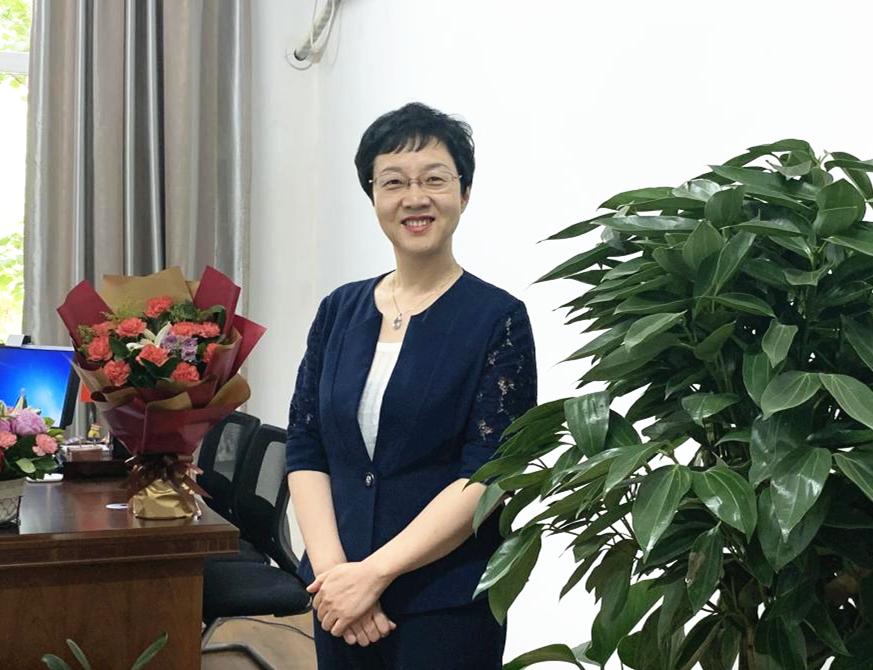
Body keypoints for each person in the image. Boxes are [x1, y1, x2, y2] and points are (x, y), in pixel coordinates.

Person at [285, 102, 537, 670]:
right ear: (373, 195)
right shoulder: (338, 310)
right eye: (394, 182)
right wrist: (336, 576)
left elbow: (490, 472)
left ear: (464, 193)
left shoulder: (497, 319)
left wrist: (374, 575)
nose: (414, 198)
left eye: (434, 180)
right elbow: (305, 444)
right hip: (337, 599)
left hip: (445, 603)